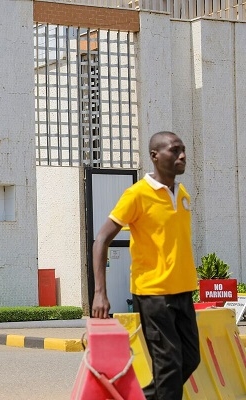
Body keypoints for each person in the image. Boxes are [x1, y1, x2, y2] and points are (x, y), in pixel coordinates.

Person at [91, 131, 200, 400]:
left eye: (183, 149)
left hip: (183, 290)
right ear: (155, 156)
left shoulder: (182, 192)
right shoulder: (137, 194)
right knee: (169, 366)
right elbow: (102, 238)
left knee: (190, 360)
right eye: (175, 150)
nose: (182, 155)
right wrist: (100, 292)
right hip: (153, 294)